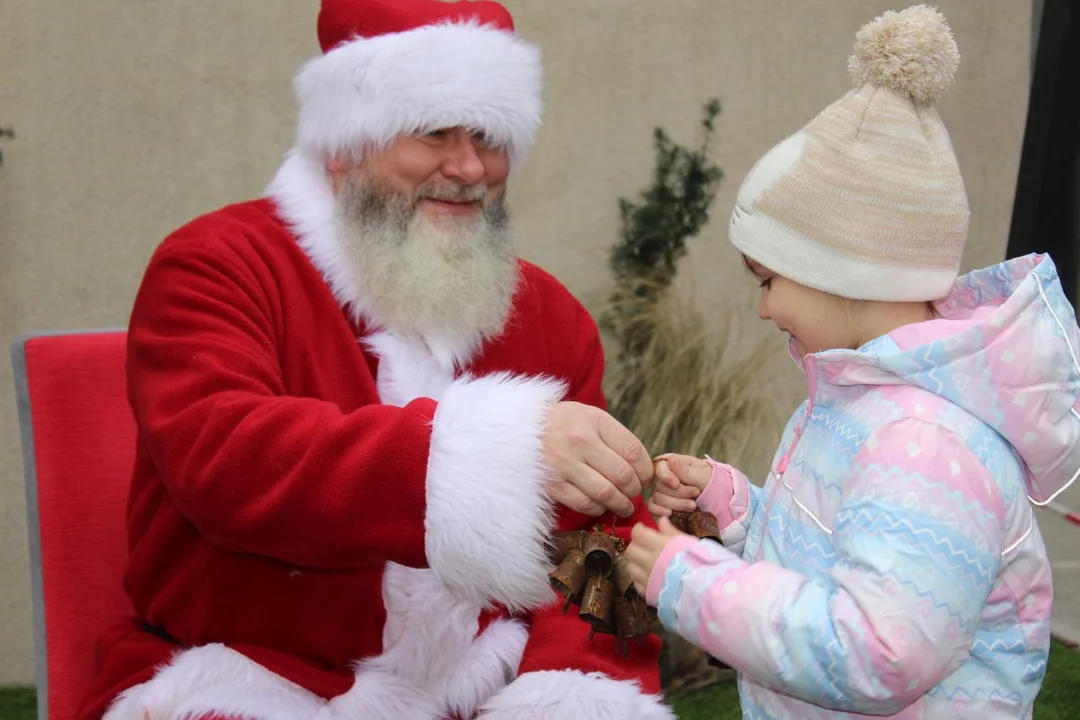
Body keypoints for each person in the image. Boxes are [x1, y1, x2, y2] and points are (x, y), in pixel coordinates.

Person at [77, 1, 674, 718]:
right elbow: (226, 459)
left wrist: (570, 686)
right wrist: (498, 450)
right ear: (342, 143)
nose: (469, 168)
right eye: (432, 134)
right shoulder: (214, 266)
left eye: (489, 136)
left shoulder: (547, 314)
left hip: (481, 682)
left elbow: (599, 540)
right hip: (257, 675)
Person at [625, 5, 1079, 718]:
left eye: (768, 281)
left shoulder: (925, 444)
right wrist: (736, 509)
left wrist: (692, 582)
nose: (764, 309)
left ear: (846, 272)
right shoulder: (869, 403)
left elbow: (876, 653)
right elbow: (836, 550)